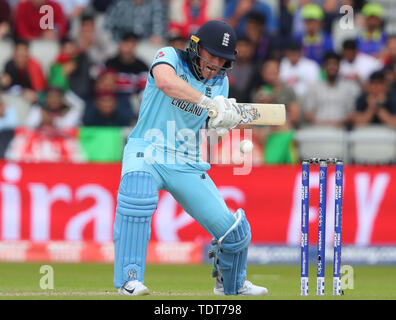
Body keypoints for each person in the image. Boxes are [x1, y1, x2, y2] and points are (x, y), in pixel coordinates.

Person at [113, 20, 268, 296]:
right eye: (211, 55)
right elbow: (165, 82)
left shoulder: (221, 83)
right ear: (196, 47)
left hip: (186, 160)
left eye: (222, 60)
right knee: (137, 195)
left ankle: (231, 284)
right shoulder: (169, 57)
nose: (215, 64)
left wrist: (222, 125)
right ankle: (130, 279)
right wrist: (209, 104)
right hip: (147, 149)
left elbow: (208, 136)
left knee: (234, 233)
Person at [302, 52, 360, 127]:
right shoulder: (314, 88)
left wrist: (338, 123)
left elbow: (353, 113)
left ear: (339, 66)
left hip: (341, 129)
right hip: (318, 129)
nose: (332, 67)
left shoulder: (349, 88)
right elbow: (308, 113)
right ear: (324, 67)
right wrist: (321, 124)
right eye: (328, 64)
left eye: (335, 64)